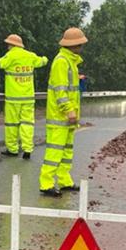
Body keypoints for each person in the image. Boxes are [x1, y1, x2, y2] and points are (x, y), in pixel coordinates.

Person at [0, 34, 48, 159]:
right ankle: (27, 149)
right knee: (27, 124)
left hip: (13, 98)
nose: (7, 46)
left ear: (12, 45)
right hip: (28, 98)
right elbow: (42, 61)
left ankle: (13, 149)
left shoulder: (10, 56)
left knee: (12, 124)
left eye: (8, 44)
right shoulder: (30, 55)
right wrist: (45, 58)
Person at [39, 27, 87, 197]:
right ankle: (46, 183)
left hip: (68, 116)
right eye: (80, 44)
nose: (82, 47)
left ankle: (64, 180)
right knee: (54, 150)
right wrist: (69, 110)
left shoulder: (70, 62)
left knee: (66, 151)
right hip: (60, 116)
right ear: (74, 45)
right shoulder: (61, 61)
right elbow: (61, 90)